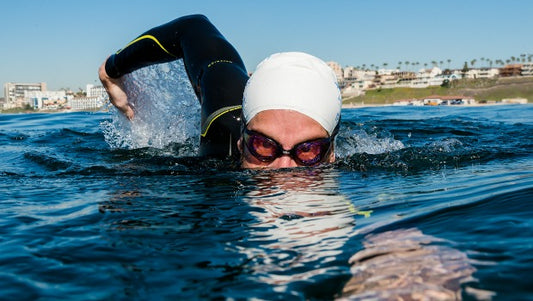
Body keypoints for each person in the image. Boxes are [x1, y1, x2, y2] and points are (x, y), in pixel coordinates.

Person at [99, 14, 342, 169]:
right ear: (241, 141)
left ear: (331, 154)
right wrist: (113, 69)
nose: (283, 172)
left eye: (308, 151)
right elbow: (193, 27)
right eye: (263, 145)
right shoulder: (222, 127)